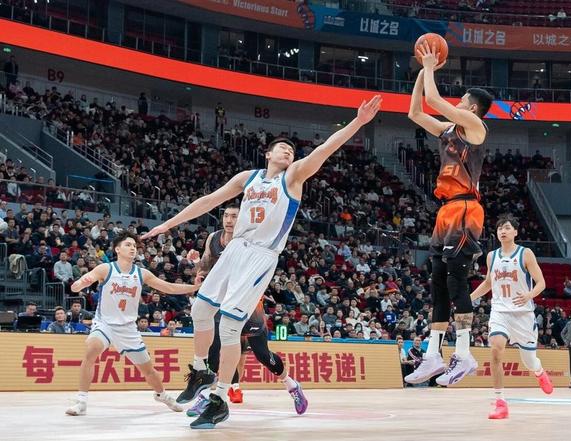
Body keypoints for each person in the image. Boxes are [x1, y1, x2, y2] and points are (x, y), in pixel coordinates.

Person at [142, 95, 381, 429]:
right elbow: (208, 200)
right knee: (200, 311)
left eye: (291, 150)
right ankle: (200, 370)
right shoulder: (248, 178)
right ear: (267, 154)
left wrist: (358, 122)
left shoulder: (293, 177)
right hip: (235, 250)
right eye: (281, 148)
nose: (288, 152)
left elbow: (324, 149)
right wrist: (168, 224)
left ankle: (220, 398)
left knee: (229, 327)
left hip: (260, 255)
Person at [405, 41, 493, 386]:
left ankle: (465, 354)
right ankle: (433, 355)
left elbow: (435, 100)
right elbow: (416, 112)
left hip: (466, 208)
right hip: (445, 210)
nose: (457, 103)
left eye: (462, 100)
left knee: (457, 282)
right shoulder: (448, 130)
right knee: (438, 283)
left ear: (472, 106)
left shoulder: (475, 125)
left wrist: (430, 67)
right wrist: (421, 71)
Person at [180, 205, 307, 417]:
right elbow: (205, 266)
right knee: (214, 349)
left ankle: (291, 385)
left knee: (263, 355)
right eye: (226, 216)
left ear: (244, 220)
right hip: (223, 301)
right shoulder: (214, 238)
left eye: (234, 217)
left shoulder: (252, 240)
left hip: (249, 302)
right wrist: (197, 266)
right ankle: (207, 397)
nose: (229, 220)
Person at [64, 231, 201, 416]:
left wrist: (194, 287)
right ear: (117, 249)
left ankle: (161, 395)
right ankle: (81, 401)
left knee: (148, 370)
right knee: (91, 349)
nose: (132, 248)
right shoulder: (106, 269)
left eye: (134, 246)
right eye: (128, 245)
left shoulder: (141, 273)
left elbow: (168, 287)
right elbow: (79, 284)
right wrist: (79, 284)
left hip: (128, 328)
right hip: (105, 324)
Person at [468, 214, 553, 419]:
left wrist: (529, 295)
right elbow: (488, 283)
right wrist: (468, 299)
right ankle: (500, 402)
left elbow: (541, 283)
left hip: (523, 314)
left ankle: (539, 371)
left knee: (529, 362)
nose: (502, 231)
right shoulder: (491, 256)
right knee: (496, 350)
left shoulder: (525, 254)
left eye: (507, 228)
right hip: (500, 312)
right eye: (499, 228)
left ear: (515, 231)